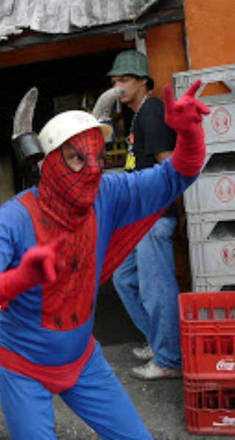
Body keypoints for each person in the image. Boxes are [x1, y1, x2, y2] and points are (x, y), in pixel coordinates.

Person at [0, 79, 209, 439]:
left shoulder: (107, 193)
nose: (91, 170)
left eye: (98, 158)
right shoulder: (14, 219)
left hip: (83, 360)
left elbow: (175, 176)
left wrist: (189, 136)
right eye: (77, 158)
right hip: (23, 368)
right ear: (47, 162)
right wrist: (20, 278)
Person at [108, 49, 183, 380]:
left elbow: (169, 166)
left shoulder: (152, 111)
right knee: (123, 279)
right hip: (140, 220)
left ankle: (170, 360)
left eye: (124, 80)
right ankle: (158, 342)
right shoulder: (138, 116)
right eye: (115, 81)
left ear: (142, 81)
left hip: (153, 218)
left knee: (157, 290)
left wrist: (168, 210)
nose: (118, 86)